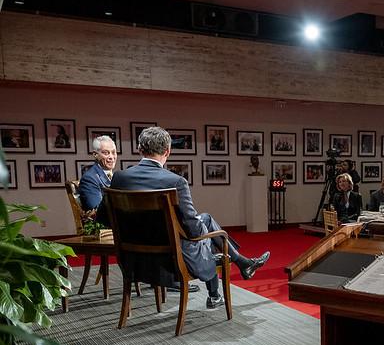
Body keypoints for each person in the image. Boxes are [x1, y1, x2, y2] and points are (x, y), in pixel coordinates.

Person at [110, 127, 270, 308]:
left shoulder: (119, 178)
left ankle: (238, 270)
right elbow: (194, 231)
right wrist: (201, 227)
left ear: (139, 149)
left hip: (133, 259)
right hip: (171, 261)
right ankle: (227, 281)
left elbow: (106, 219)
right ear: (167, 151)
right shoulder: (175, 182)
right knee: (208, 231)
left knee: (205, 219)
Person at [78, 135, 117, 213]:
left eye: (113, 152)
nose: (111, 157)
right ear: (95, 154)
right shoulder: (89, 179)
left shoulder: (116, 176)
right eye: (106, 153)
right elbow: (97, 210)